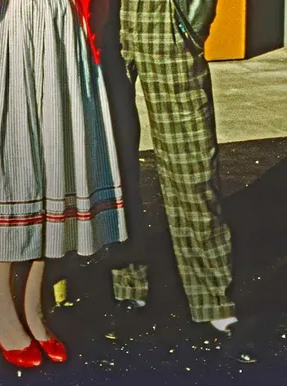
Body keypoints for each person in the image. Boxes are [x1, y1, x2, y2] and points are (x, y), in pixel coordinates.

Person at [0, 0, 125, 368]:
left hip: (61, 21)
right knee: (10, 163)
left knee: (55, 161)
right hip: (7, 25)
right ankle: (1, 307)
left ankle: (33, 304)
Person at [101, 0, 256, 363]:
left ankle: (212, 298)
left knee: (191, 162)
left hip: (164, 17)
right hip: (104, 19)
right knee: (110, 161)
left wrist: (193, 22)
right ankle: (127, 286)